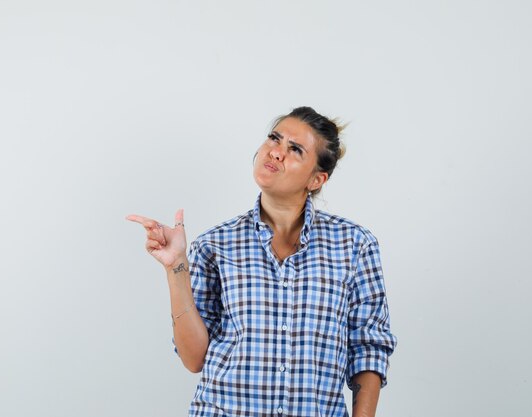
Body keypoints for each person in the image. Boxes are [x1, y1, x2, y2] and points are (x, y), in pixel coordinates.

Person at [127, 106, 397, 417]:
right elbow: (193, 359)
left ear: (316, 178)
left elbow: (368, 347)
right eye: (274, 138)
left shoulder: (354, 245)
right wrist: (176, 268)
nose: (276, 152)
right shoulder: (215, 244)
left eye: (295, 149)